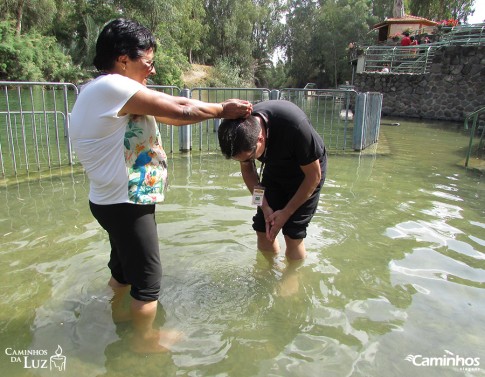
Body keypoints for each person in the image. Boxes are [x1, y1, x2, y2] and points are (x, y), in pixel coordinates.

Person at [69, 18, 252, 353]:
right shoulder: (112, 87)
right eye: (148, 62)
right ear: (123, 59)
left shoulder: (103, 92)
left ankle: (118, 317)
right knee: (148, 281)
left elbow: (168, 113)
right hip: (125, 205)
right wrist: (222, 109)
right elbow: (181, 108)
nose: (151, 71)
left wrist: (211, 112)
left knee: (123, 271)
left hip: (112, 200)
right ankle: (145, 342)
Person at [218, 100, 327, 261]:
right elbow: (249, 172)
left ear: (260, 139)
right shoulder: (240, 131)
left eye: (249, 157)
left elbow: (314, 177)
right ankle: (269, 271)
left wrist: (286, 213)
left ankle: (292, 276)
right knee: (263, 228)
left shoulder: (295, 126)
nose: (247, 162)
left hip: (307, 174)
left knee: (292, 233)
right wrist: (265, 206)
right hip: (274, 168)